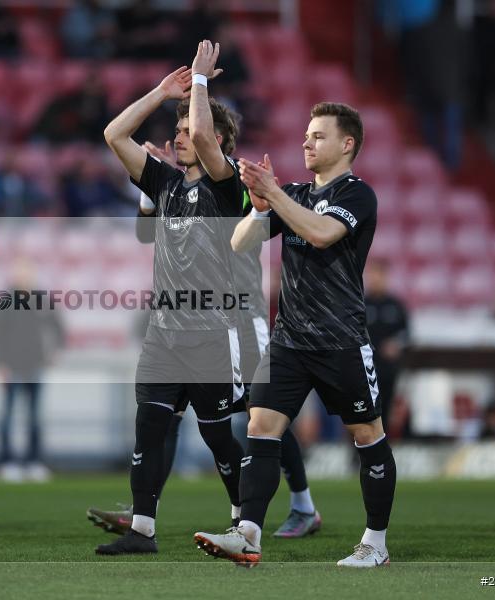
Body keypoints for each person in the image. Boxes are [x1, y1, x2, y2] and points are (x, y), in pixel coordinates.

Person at [194, 102, 396, 568]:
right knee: (260, 426)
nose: (306, 142)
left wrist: (276, 195)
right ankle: (247, 533)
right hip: (289, 339)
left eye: (318, 136)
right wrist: (262, 205)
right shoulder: (295, 194)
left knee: (367, 436)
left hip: (340, 338)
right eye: (305, 134)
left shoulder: (358, 194)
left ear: (347, 145)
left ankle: (375, 543)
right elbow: (240, 241)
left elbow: (324, 233)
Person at [87, 142, 321, 541]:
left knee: (259, 414)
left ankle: (301, 504)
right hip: (187, 324)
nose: (187, 141)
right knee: (166, 420)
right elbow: (147, 232)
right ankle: (147, 512)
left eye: (194, 135)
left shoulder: (232, 184)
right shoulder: (184, 189)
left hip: (240, 321)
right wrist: (155, 181)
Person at [96, 40, 246, 555]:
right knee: (149, 429)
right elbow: (115, 134)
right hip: (164, 333)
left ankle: (243, 520)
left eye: (185, 131)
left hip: (209, 334)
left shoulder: (230, 188)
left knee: (219, 439)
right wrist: (161, 93)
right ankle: (142, 530)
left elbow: (205, 134)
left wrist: (200, 83)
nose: (179, 137)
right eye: (177, 130)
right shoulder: (164, 183)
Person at [0, 259, 64, 483]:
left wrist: (54, 352)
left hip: (35, 365)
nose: (25, 276)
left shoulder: (42, 299)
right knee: (8, 417)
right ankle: (7, 462)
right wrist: (1, 363)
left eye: (28, 272)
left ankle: (34, 462)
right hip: (12, 366)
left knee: (34, 417)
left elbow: (58, 328)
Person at [364, 259, 409, 432]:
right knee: (363, 410)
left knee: (386, 407)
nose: (374, 279)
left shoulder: (395, 305)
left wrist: (396, 344)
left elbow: (407, 334)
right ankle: (358, 450)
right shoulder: (361, 303)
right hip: (365, 369)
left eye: (378, 275)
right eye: (371, 275)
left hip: (388, 369)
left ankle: (384, 447)